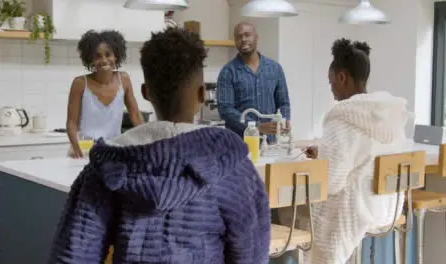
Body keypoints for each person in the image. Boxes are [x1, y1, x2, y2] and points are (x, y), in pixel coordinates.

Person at [49, 28, 271, 264]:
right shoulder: (234, 169)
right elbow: (251, 255)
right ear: (201, 95)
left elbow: (73, 255)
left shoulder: (106, 169)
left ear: (145, 93)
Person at [302, 39, 410, 264]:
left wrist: (318, 160)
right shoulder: (388, 115)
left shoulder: (342, 118)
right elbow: (362, 155)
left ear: (342, 77)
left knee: (292, 214)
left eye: (331, 82)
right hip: (386, 207)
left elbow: (331, 181)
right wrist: (324, 150)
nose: (331, 89)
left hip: (355, 213)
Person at [66, 29, 144, 158]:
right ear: (90, 60)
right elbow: (71, 123)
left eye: (108, 54)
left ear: (116, 56)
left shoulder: (123, 79)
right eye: (97, 56)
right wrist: (76, 148)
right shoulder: (80, 83)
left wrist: (147, 142)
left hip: (114, 150)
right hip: (86, 150)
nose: (104, 60)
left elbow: (135, 115)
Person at [217, 21, 291, 143]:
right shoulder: (228, 72)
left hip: (271, 142)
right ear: (235, 41)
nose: (243, 39)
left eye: (247, 35)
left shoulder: (275, 68)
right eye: (239, 36)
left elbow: (283, 103)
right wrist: (257, 127)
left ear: (256, 38)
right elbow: (225, 109)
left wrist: (283, 121)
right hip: (240, 143)